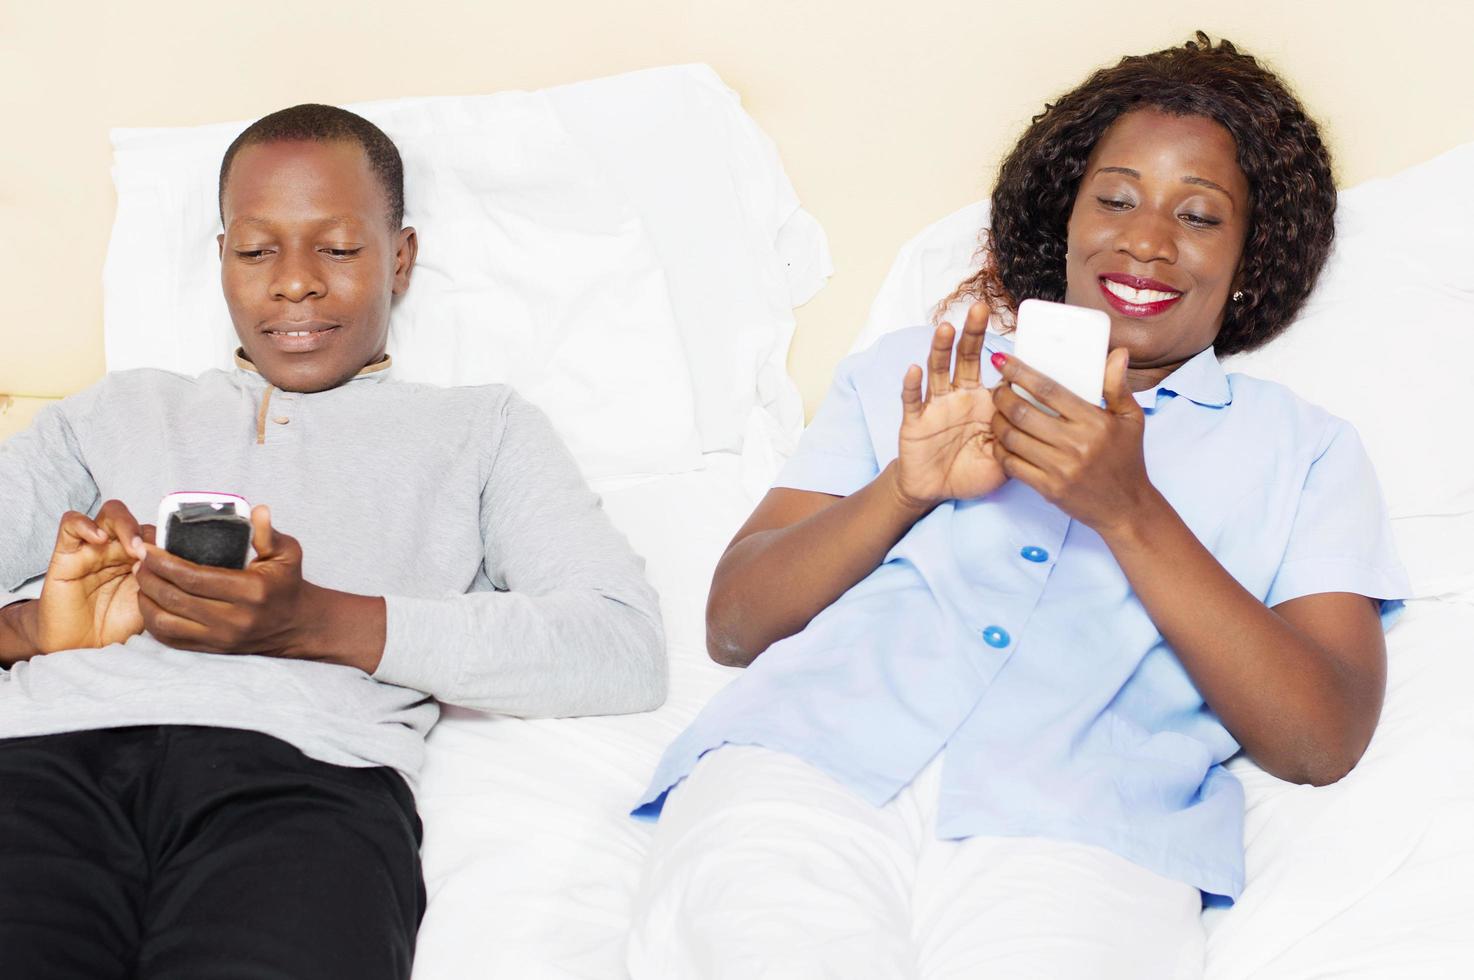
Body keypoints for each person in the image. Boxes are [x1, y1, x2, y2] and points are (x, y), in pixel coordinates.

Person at [628, 33, 1410, 980]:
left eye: (1198, 216)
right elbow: (735, 625)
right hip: (804, 768)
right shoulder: (915, 374)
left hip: (1089, 830)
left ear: (1250, 257)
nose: (1146, 239)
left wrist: (1131, 512)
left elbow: (1320, 738)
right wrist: (902, 492)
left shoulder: (1305, 450)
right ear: (1066, 220)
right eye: (1114, 199)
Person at [0, 104, 666, 980]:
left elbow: (622, 646)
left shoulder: (482, 430)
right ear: (223, 261)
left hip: (307, 786)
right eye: (256, 250)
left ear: (401, 257)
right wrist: (35, 634)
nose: (295, 284)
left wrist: (312, 623)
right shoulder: (113, 412)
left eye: (340, 250)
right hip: (42, 766)